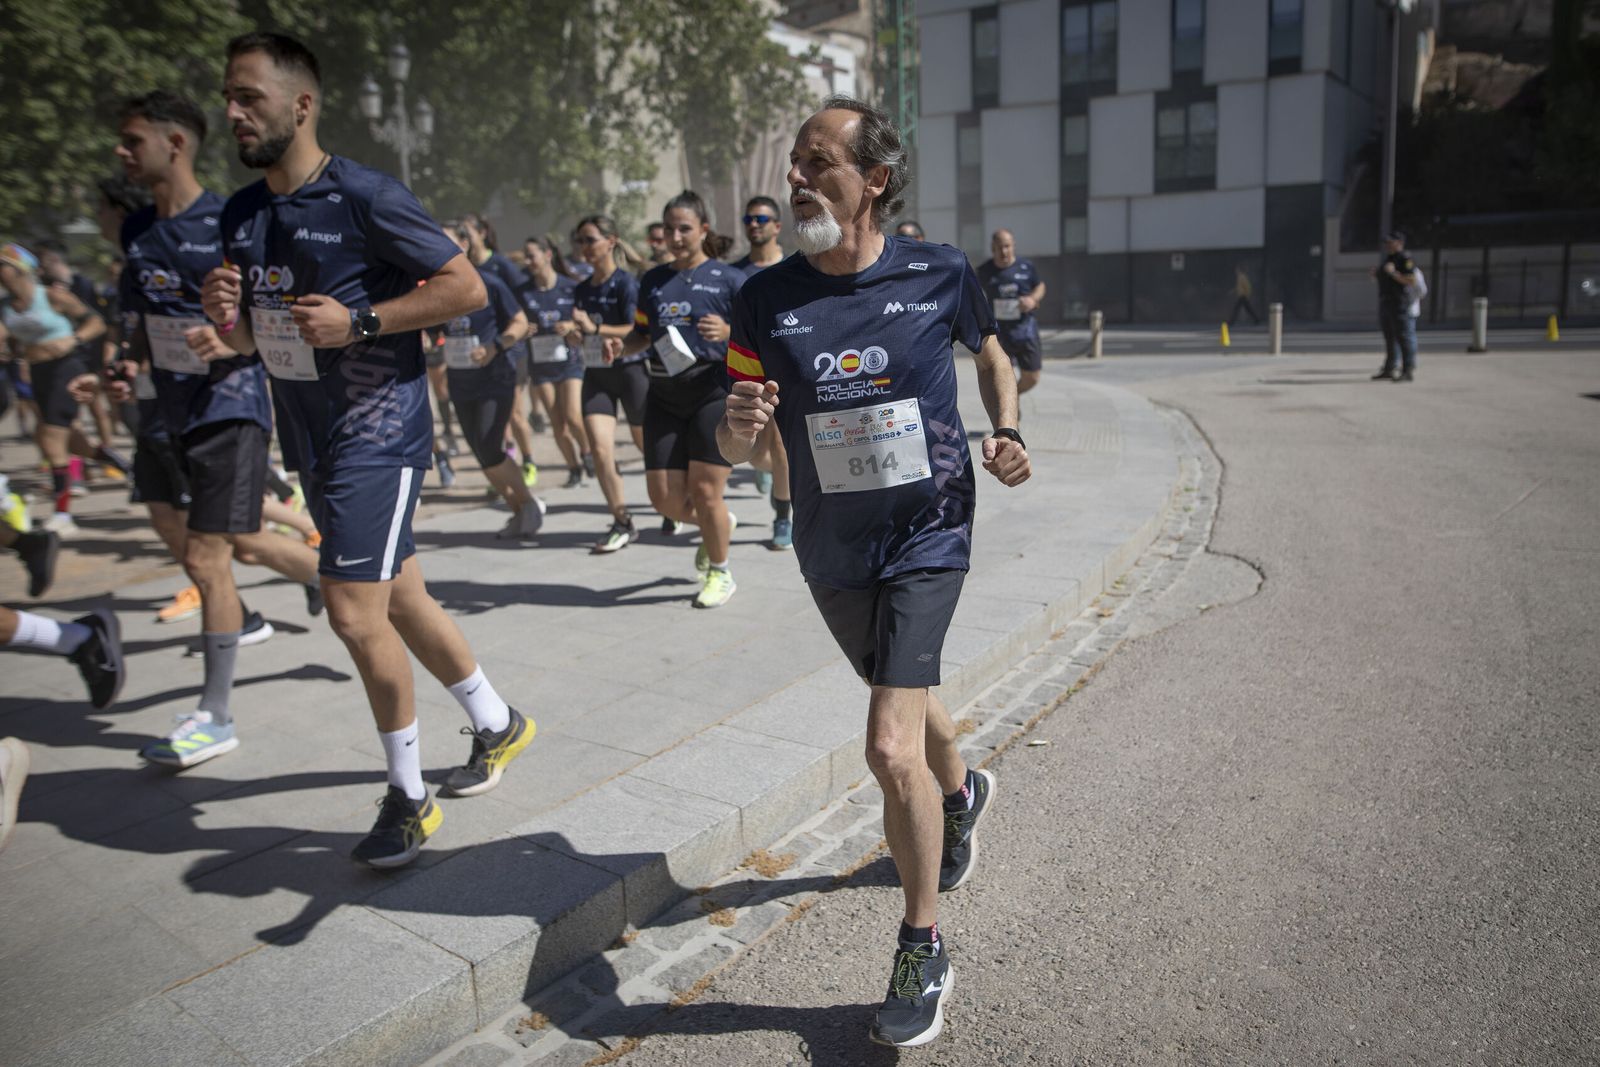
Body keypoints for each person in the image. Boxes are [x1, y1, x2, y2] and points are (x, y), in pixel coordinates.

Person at [719, 95, 1031, 1047]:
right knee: (907, 688)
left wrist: (1007, 428)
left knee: (890, 747)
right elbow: (737, 428)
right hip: (831, 542)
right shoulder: (761, 299)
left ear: (875, 179)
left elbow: (993, 355)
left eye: (820, 161)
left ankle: (922, 941)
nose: (799, 178)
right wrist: (738, 431)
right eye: (795, 164)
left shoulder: (938, 271)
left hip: (929, 529)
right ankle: (965, 791)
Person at [201, 31, 534, 867]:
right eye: (228, 99)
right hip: (309, 434)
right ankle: (498, 721)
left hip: (378, 430)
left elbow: (466, 286)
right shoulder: (242, 214)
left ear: (301, 104)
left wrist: (361, 321)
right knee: (404, 597)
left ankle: (408, 796)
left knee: (353, 610)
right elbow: (254, 335)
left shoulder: (361, 195)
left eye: (250, 98)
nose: (233, 114)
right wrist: (225, 319)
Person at [110, 89, 326, 767]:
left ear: (175, 144)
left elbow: (276, 310)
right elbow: (146, 322)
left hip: (230, 404)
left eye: (132, 141)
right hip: (168, 413)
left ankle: (216, 715)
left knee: (209, 558)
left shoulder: (229, 218)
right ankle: (335, 577)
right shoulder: (137, 229)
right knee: (243, 545)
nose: (122, 153)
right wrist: (125, 367)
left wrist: (228, 335)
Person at [615, 190, 744, 608]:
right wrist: (620, 346)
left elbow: (756, 336)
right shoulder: (652, 280)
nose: (674, 236)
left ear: (703, 230)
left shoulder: (729, 279)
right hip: (664, 395)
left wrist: (727, 333)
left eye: (684, 228)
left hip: (710, 391)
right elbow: (640, 333)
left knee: (705, 491)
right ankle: (718, 525)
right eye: (668, 228)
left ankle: (720, 573)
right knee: (664, 500)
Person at [436, 220, 543, 538]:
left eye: (448, 242)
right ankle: (518, 512)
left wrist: (496, 346)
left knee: (489, 444)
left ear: (465, 245)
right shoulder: (437, 289)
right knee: (480, 451)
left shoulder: (489, 283)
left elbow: (521, 322)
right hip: (460, 381)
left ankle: (528, 505)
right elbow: (432, 331)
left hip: (495, 378)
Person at [0, 243, 110, 534]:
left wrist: (73, 340)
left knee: (50, 438)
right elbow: (8, 339)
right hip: (37, 373)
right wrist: (10, 350)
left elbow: (97, 323)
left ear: (20, 270)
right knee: (74, 442)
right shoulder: (5, 307)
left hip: (67, 368)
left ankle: (63, 515)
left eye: (3, 267)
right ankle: (129, 468)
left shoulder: (50, 296)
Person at [570, 213, 648, 553]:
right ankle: (622, 521)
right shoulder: (581, 288)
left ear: (611, 241)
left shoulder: (625, 283)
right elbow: (583, 331)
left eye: (590, 240)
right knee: (601, 451)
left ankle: (675, 501)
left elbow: (636, 329)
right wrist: (576, 335)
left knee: (649, 448)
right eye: (580, 241)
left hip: (630, 372)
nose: (584, 247)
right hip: (596, 376)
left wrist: (592, 329)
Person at [730, 195, 794, 550]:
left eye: (761, 218)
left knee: (782, 448)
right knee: (758, 452)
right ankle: (762, 470)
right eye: (748, 218)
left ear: (777, 226)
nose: (754, 224)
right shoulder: (734, 275)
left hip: (785, 372)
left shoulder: (794, 271)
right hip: (746, 372)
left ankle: (782, 515)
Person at [37, 240, 130, 479]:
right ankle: (80, 471)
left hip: (86, 357)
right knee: (67, 421)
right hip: (53, 364)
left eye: (45, 261)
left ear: (57, 260)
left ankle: (107, 456)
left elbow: (100, 322)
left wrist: (100, 351)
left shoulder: (81, 285)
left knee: (96, 408)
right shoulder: (43, 289)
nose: (41, 267)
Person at [518, 236, 592, 488]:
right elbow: (516, 322)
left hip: (569, 361)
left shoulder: (570, 287)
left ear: (547, 254)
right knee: (557, 423)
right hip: (541, 364)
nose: (528, 262)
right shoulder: (524, 292)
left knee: (573, 416)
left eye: (532, 256)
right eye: (526, 257)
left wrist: (572, 325)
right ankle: (573, 468)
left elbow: (584, 321)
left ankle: (587, 452)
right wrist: (522, 329)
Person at [976, 229, 1045, 397]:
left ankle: (1014, 395)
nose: (1004, 251)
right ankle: (1009, 403)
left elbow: (1040, 286)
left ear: (1013, 246)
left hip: (1025, 330)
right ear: (993, 248)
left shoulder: (1026, 266)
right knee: (1001, 376)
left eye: (1007, 246)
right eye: (999, 247)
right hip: (998, 333)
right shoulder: (983, 271)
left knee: (1032, 377)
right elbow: (973, 296)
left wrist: (1032, 300)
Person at [1372, 230, 1419, 382]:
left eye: (1390, 242)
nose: (1387, 245)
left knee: (1403, 337)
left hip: (1399, 303)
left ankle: (1407, 370)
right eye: (1386, 242)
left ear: (1399, 243)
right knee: (1389, 337)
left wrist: (1393, 274)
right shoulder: (1389, 258)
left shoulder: (1405, 258)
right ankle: (1389, 368)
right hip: (1386, 302)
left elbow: (1411, 281)